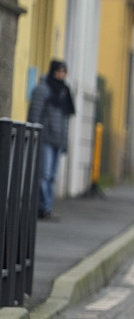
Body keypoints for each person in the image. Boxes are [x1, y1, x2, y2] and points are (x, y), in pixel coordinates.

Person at [26, 60, 76, 220]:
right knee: (44, 174)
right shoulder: (43, 89)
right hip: (45, 138)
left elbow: (65, 120)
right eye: (59, 71)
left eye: (64, 72)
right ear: (52, 72)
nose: (61, 75)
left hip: (58, 140)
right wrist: (34, 136)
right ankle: (42, 207)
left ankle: (47, 207)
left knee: (52, 176)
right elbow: (35, 115)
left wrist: (64, 142)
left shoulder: (64, 92)